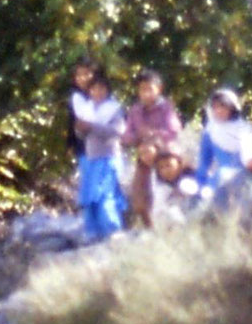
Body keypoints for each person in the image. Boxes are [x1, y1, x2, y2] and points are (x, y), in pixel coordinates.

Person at [121, 69, 183, 229]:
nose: (146, 94)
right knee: (139, 198)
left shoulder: (166, 108)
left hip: (165, 154)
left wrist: (154, 136)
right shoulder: (135, 110)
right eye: (142, 90)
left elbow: (174, 130)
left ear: (159, 89)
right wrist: (139, 138)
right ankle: (148, 225)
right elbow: (126, 135)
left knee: (172, 192)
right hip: (144, 155)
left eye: (150, 89)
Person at [71, 73, 126, 239]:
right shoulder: (86, 109)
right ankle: (92, 232)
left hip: (109, 157)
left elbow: (117, 132)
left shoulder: (114, 109)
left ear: (108, 90)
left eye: (102, 88)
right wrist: (80, 129)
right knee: (89, 197)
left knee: (105, 195)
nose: (98, 92)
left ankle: (112, 229)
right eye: (94, 88)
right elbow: (81, 135)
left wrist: (93, 127)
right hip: (91, 158)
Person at [194, 88, 252, 194]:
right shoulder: (211, 131)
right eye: (215, 107)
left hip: (246, 180)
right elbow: (204, 162)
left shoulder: (245, 130)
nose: (219, 110)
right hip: (219, 181)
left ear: (232, 108)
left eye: (223, 106)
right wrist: (199, 185)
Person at [150, 149, 200, 226]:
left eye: (168, 165)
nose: (165, 171)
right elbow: (157, 211)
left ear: (179, 164)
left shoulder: (193, 179)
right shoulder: (162, 189)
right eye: (161, 168)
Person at [65, 59, 99, 165]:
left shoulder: (104, 95)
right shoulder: (75, 97)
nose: (82, 78)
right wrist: (70, 143)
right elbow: (72, 120)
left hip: (104, 146)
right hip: (83, 146)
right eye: (78, 75)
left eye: (86, 74)